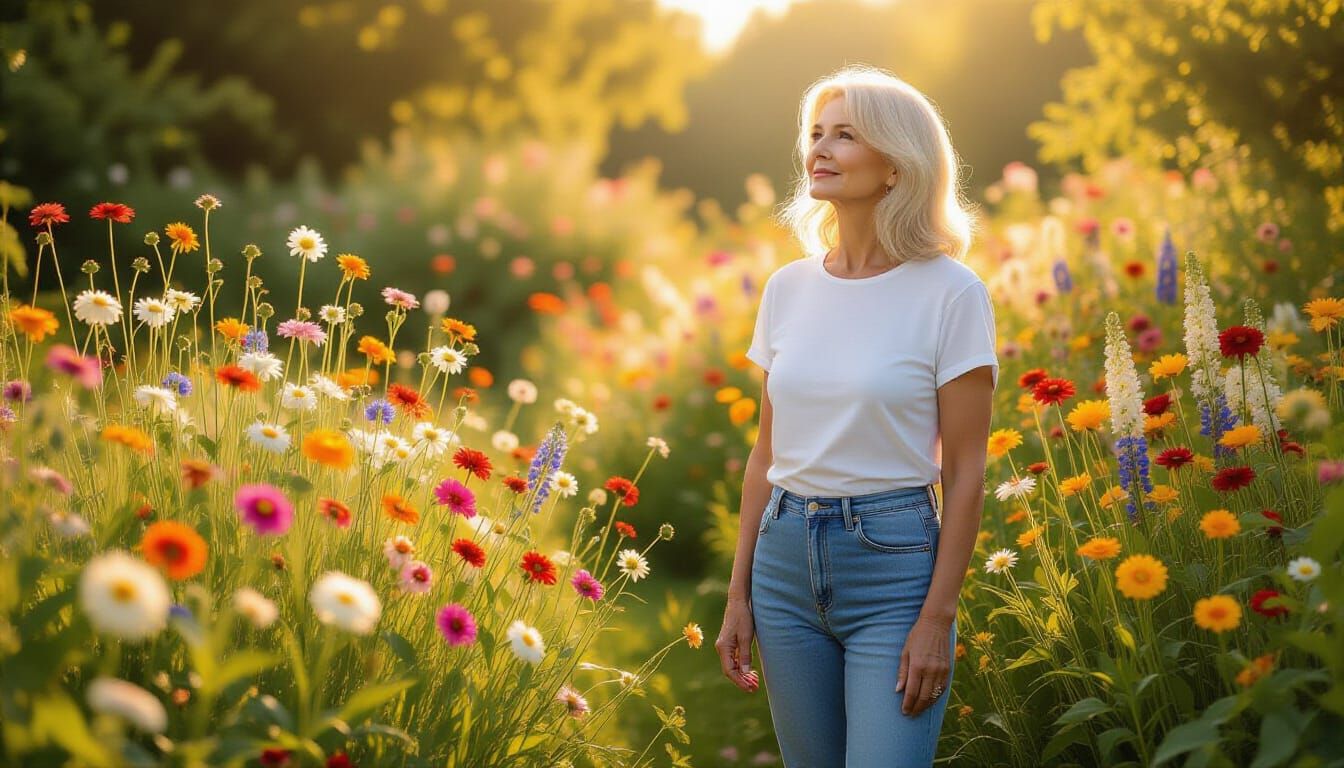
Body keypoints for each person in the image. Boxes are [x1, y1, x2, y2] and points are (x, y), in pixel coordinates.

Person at [715, 65, 998, 767]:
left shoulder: (951, 293)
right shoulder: (788, 288)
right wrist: (738, 594)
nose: (821, 149)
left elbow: (965, 471)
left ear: (897, 165)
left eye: (846, 135)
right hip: (782, 562)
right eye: (816, 133)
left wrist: (938, 617)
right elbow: (765, 456)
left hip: (893, 568)